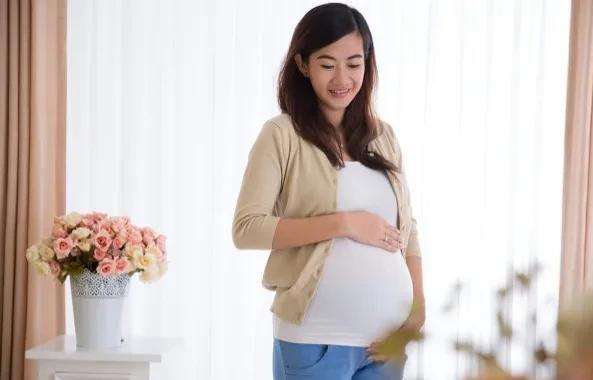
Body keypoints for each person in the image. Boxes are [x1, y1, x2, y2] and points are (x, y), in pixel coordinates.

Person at [232, 3, 425, 379]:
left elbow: (409, 229)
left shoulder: (383, 137)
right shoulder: (282, 134)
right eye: (327, 64)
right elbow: (247, 228)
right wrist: (343, 223)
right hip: (315, 341)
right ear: (303, 65)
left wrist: (418, 307)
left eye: (354, 64)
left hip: (386, 344)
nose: (342, 78)